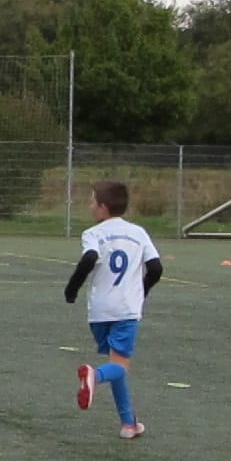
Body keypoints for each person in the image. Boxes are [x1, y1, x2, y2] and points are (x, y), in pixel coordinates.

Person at [66, 180, 163, 440]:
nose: (90, 206)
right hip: (126, 309)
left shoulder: (93, 233)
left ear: (103, 206)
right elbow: (155, 268)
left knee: (116, 363)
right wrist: (142, 291)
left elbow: (89, 259)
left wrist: (72, 289)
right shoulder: (138, 233)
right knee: (119, 366)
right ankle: (95, 376)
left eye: (92, 201)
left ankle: (129, 424)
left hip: (99, 311)